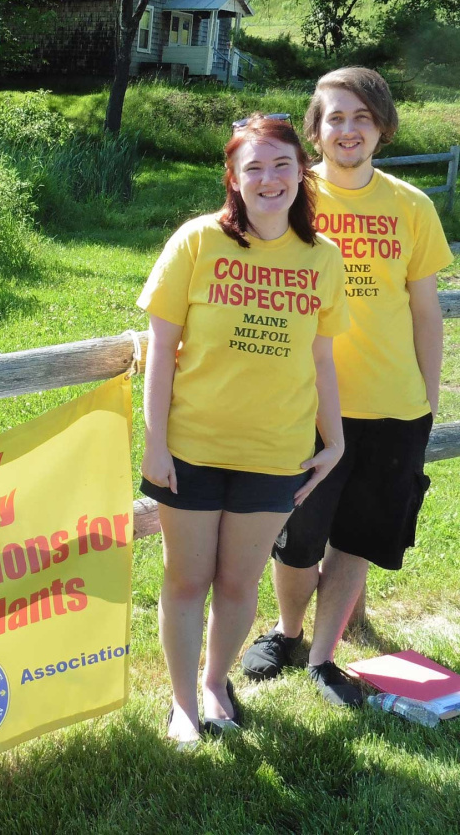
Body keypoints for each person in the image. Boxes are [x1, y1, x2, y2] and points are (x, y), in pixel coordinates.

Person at [241, 69, 453, 707]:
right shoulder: (289, 194)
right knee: (298, 535)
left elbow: (424, 310)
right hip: (305, 403)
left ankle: (325, 658)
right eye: (335, 117)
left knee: (359, 534)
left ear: (382, 126)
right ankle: (286, 632)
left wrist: (428, 399)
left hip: (392, 406)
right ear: (316, 129)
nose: (348, 129)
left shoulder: (412, 206)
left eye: (362, 116)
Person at [138, 114, 349, 746]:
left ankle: (213, 682)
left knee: (237, 582)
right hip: (191, 448)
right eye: (253, 167)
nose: (269, 178)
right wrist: (154, 443)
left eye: (282, 164)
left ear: (301, 173)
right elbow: (160, 342)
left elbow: (320, 357)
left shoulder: (322, 258)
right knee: (186, 580)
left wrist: (333, 440)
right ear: (233, 178)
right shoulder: (199, 241)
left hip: (275, 453)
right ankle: (181, 704)